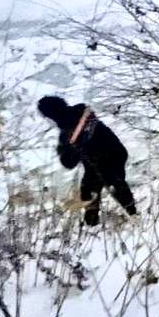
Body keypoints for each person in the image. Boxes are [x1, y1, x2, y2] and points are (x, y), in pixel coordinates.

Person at [37, 95, 137, 225]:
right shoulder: (81, 111)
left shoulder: (67, 133)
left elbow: (68, 163)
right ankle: (123, 216)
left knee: (110, 185)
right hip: (113, 154)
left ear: (50, 116)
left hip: (107, 159)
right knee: (91, 189)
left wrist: (65, 149)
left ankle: (132, 216)